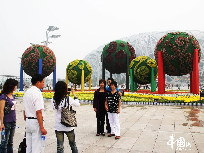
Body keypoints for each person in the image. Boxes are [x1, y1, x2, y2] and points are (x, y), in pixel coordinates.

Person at [52, 81, 80, 153]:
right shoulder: (68, 99)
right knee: (73, 144)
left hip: (58, 125)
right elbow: (78, 104)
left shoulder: (53, 99)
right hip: (68, 125)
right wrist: (74, 95)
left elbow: (54, 109)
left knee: (60, 147)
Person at [23, 74, 47, 153]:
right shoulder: (37, 93)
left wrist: (27, 119)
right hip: (35, 121)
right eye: (42, 82)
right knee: (36, 146)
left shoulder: (27, 92)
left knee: (28, 146)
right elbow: (38, 112)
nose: (44, 84)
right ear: (38, 82)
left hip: (28, 121)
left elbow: (24, 109)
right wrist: (42, 127)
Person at [0, 79, 18, 153]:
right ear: (12, 86)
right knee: (4, 142)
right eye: (15, 85)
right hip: (6, 122)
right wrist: (2, 123)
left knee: (10, 142)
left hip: (13, 121)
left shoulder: (12, 96)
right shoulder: (3, 96)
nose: (16, 87)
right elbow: (1, 110)